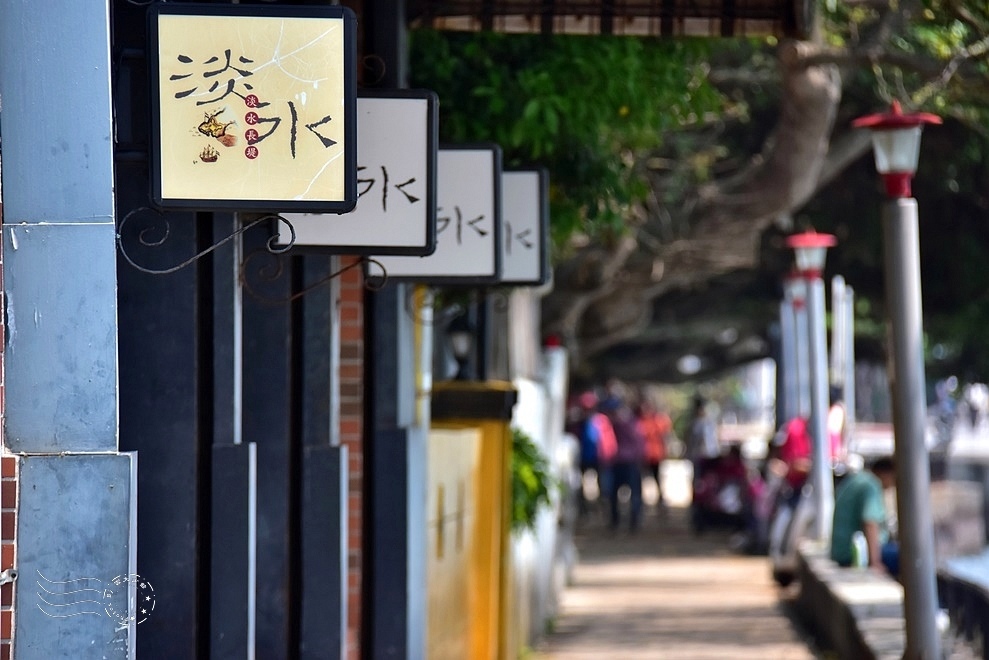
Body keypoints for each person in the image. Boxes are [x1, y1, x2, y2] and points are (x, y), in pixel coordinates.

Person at [831, 456, 898, 575]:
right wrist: (875, 562)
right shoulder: (871, 485)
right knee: (911, 556)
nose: (893, 485)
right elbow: (869, 522)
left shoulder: (859, 479)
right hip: (853, 554)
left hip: (842, 552)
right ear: (886, 473)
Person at [601, 396, 645, 532]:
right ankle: (631, 522)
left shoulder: (616, 424)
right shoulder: (632, 423)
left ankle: (619, 522)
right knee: (631, 494)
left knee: (618, 494)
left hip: (622, 462)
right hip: (626, 461)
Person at [575, 391, 617, 516]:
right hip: (583, 457)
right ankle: (583, 508)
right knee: (580, 483)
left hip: (599, 458)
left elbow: (608, 440)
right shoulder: (579, 422)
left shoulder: (601, 421)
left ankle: (602, 506)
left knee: (603, 483)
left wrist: (609, 455)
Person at [635, 399, 672, 507]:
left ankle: (660, 498)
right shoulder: (638, 421)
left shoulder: (657, 420)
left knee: (657, 477)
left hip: (655, 455)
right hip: (642, 455)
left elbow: (665, 435)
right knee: (640, 479)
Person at [685, 398, 720, 495]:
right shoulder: (694, 424)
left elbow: (713, 440)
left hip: (710, 456)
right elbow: (690, 442)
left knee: (708, 481)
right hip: (698, 457)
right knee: (698, 481)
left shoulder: (709, 423)